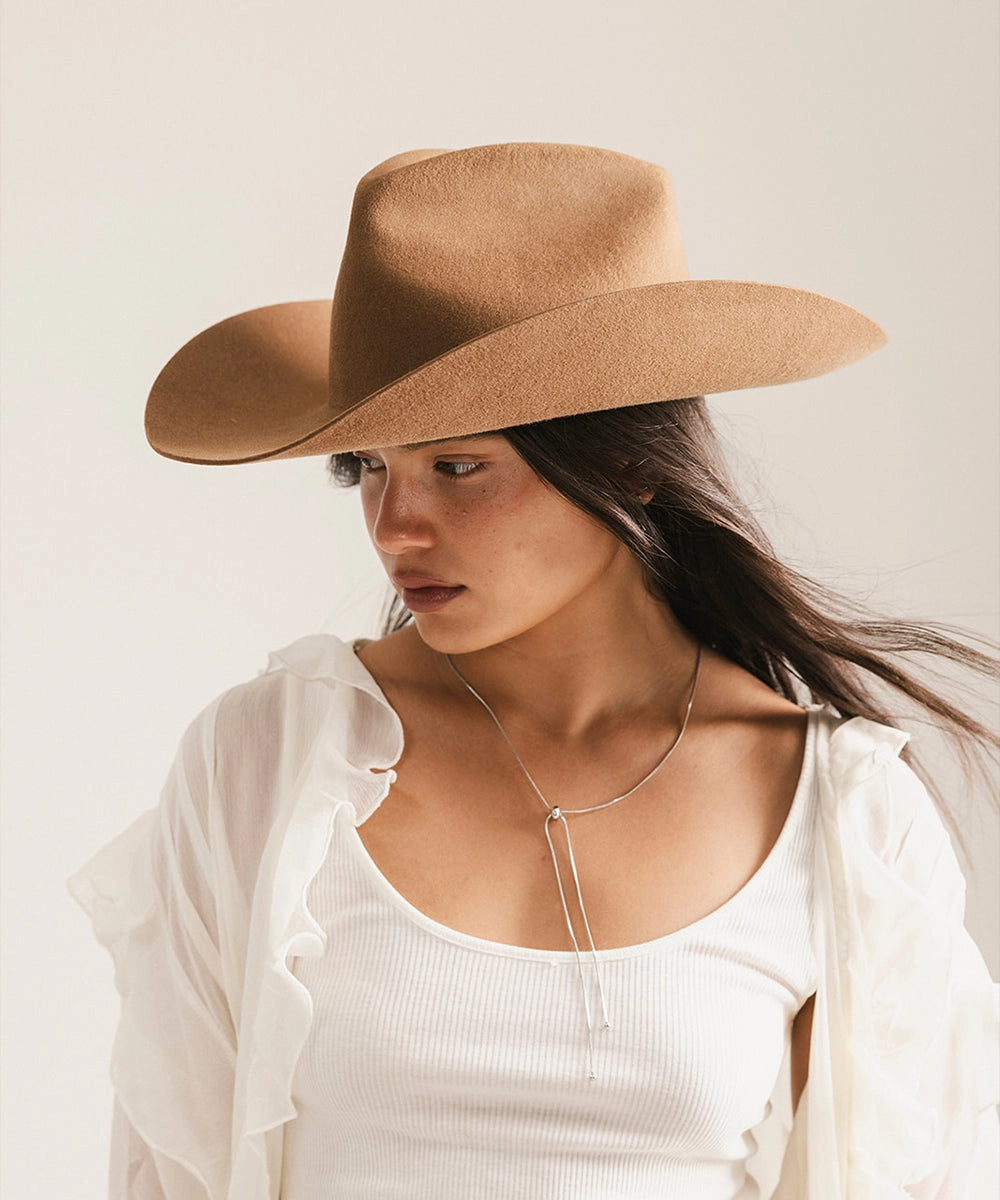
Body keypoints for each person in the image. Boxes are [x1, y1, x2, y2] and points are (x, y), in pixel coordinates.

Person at [70, 143, 998, 1199]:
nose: (394, 526)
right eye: (367, 467)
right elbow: (170, 1170)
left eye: (457, 466)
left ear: (630, 463)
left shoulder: (839, 814)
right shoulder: (273, 761)